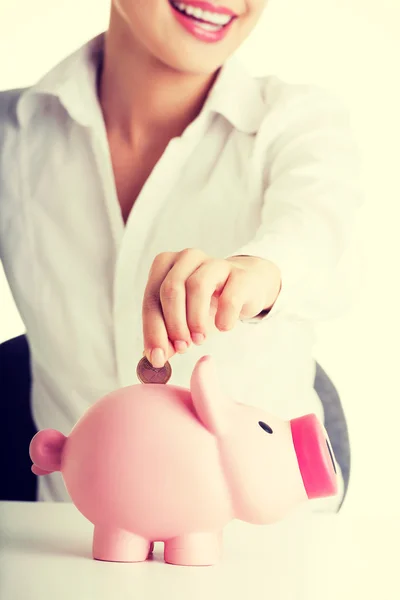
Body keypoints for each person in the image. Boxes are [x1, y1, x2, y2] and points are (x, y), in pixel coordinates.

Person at [0, 0, 362, 508]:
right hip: (69, 540)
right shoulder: (11, 137)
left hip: (268, 543)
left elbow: (319, 236)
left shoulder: (300, 122)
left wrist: (257, 275)